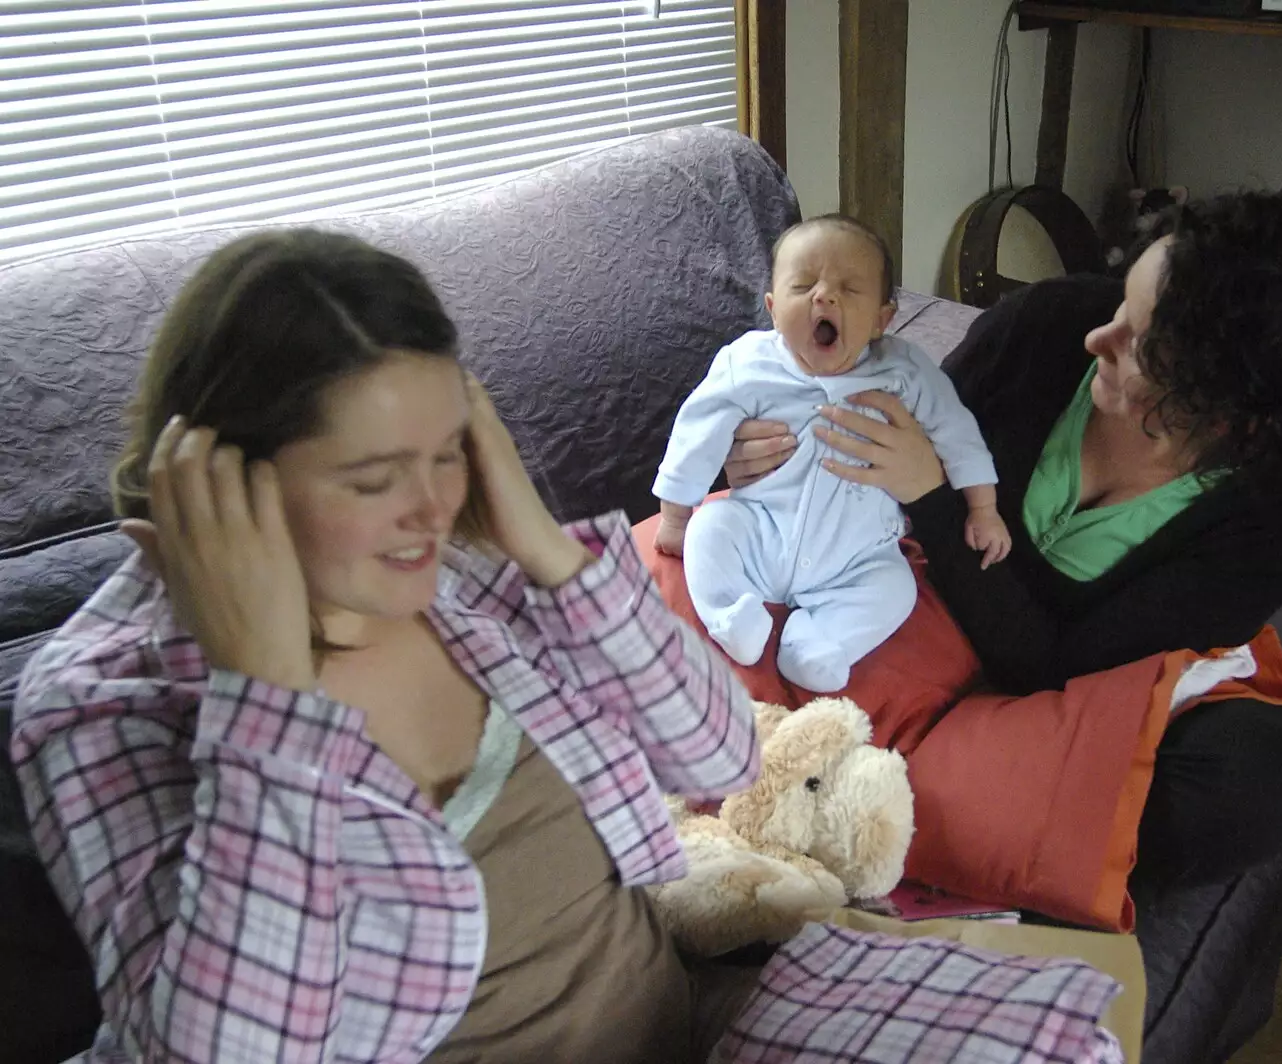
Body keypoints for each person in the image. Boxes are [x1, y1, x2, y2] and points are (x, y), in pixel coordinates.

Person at [10, 229, 1127, 1064]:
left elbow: (713, 754)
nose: (427, 510)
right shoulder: (109, 697)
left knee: (1078, 1036)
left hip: (685, 1008)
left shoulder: (462, 565)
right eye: (369, 477)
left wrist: (545, 547)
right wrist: (269, 694)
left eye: (446, 451)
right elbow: (229, 1046)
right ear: (221, 485)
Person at [723, 190, 1282, 886]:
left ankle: (847, 808)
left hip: (1035, 693)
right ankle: (857, 811)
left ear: (1231, 416)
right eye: (1121, 308)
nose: (1097, 339)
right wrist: (755, 451)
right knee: (708, 554)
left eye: (1141, 344)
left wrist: (932, 498)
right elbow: (881, 429)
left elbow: (1059, 672)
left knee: (1256, 785)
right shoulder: (1049, 322)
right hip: (887, 596)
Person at [653, 215, 1009, 693]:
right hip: (763, 529)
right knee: (710, 530)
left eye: (849, 288)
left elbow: (957, 432)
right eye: (803, 285)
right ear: (774, 309)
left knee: (894, 589)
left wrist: (982, 507)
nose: (823, 295)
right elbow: (698, 430)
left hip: (857, 554)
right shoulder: (747, 363)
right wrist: (676, 516)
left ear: (883, 320)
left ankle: (819, 644)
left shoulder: (903, 371)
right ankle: (733, 618)